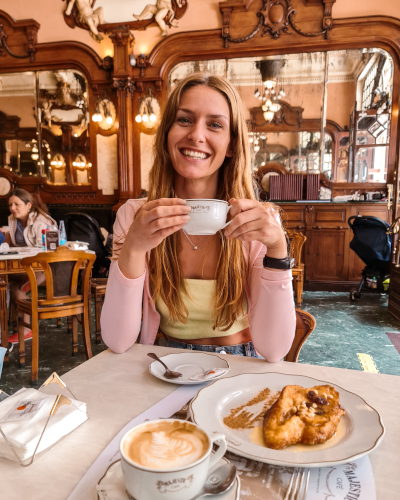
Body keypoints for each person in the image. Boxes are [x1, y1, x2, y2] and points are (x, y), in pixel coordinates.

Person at [101, 73, 296, 361]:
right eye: (184, 119)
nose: (196, 135)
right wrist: (133, 246)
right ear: (167, 133)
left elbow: (275, 350)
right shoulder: (134, 215)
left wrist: (278, 250)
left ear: (231, 145)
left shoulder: (257, 221)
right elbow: (117, 341)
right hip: (163, 362)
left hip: (239, 362)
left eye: (215, 124)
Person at [5, 189, 56, 344]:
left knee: (16, 288)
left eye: (16, 204)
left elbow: (47, 251)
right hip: (23, 266)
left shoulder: (41, 222)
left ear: (28, 205)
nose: (12, 208)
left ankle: (26, 330)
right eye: (10, 205)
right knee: (5, 282)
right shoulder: (12, 220)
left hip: (43, 266)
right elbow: (11, 243)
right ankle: (11, 324)